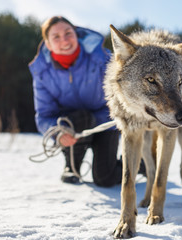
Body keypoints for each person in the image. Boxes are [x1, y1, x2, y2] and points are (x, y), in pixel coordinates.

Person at [29, 16, 122, 187]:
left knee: (105, 179)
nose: (64, 40)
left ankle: (138, 165)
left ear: (76, 35)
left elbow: (122, 95)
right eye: (56, 37)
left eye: (68, 33)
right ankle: (72, 167)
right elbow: (44, 116)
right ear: (48, 44)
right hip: (73, 127)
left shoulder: (102, 59)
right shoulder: (42, 73)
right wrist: (58, 134)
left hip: (106, 123)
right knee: (78, 118)